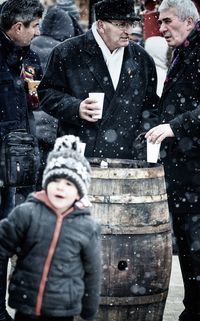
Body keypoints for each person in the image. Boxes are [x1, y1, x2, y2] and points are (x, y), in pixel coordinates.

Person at [38, 0, 159, 160]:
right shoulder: (67, 52)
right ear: (101, 25)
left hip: (127, 159)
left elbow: (150, 106)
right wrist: (76, 108)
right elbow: (46, 94)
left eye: (131, 24)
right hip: (79, 156)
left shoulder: (142, 59)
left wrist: (144, 137)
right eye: (121, 24)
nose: (128, 31)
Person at [0, 134, 102, 321]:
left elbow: (92, 272)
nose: (60, 188)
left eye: (69, 183)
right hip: (26, 304)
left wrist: (89, 308)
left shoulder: (87, 227)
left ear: (79, 192)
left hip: (62, 308)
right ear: (46, 182)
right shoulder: (27, 213)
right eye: (55, 181)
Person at [145, 1, 200, 320]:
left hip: (195, 175)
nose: (161, 28)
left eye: (167, 21)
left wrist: (173, 126)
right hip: (185, 174)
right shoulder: (183, 50)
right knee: (190, 252)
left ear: (189, 21)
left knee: (195, 251)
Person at [0, 0, 44, 320]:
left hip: (24, 156)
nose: (38, 32)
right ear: (18, 28)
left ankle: (23, 309)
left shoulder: (30, 57)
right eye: (34, 27)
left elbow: (35, 101)